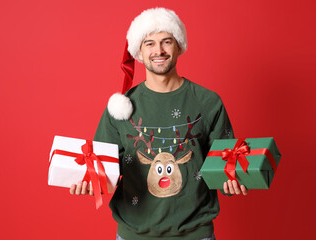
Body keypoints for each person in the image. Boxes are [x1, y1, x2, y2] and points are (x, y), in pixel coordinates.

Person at [70, 8, 248, 240]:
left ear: (179, 46)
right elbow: (103, 173)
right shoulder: (121, 107)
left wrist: (234, 182)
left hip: (195, 233)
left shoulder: (208, 102)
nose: (159, 51)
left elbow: (227, 164)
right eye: (149, 43)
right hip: (134, 234)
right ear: (139, 52)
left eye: (166, 41)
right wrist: (90, 182)